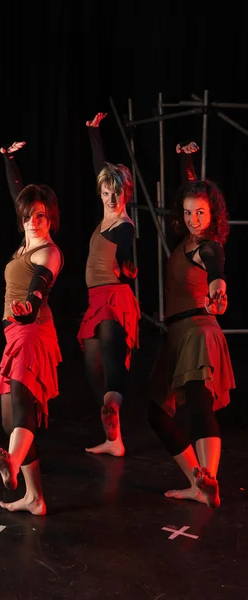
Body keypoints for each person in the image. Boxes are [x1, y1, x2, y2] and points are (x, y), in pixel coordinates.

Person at [148, 140, 235, 508]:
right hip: (177, 336)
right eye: (187, 213)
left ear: (213, 215)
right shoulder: (185, 238)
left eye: (200, 214)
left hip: (199, 331)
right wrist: (186, 159)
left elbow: (215, 267)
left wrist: (218, 285)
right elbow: (191, 190)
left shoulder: (207, 246)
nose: (193, 220)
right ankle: (197, 481)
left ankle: (209, 481)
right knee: (156, 411)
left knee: (199, 404)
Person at [0, 140, 64, 516]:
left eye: (41, 217)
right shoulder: (26, 240)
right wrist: (8, 160)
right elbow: (19, 196)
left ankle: (13, 466)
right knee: (8, 418)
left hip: (32, 333)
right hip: (14, 335)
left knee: (20, 406)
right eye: (28, 217)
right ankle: (35, 497)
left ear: (50, 219)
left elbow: (38, 291)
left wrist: (27, 307)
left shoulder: (48, 252)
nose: (33, 222)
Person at [77, 112, 140, 457]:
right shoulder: (106, 212)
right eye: (105, 192)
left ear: (124, 194)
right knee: (92, 363)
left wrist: (128, 270)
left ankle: (113, 407)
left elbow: (127, 256)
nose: (109, 198)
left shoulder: (124, 226)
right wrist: (93, 132)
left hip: (114, 297)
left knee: (113, 358)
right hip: (95, 297)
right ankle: (112, 434)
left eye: (115, 193)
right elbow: (101, 169)